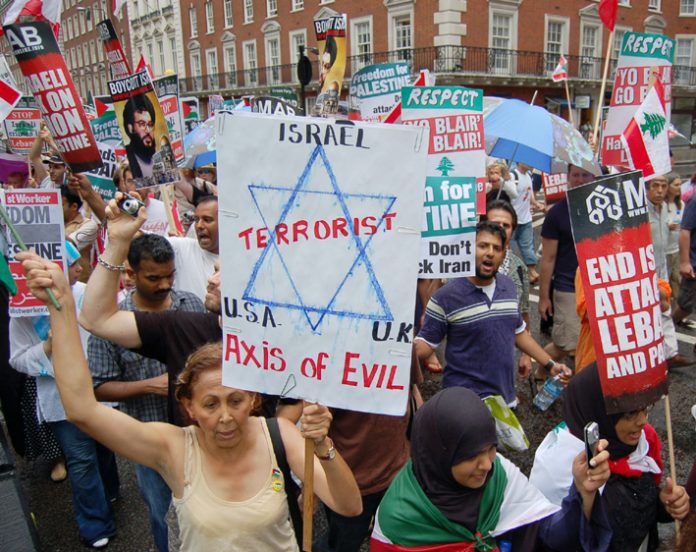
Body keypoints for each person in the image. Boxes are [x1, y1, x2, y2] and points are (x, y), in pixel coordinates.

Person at [15, 249, 363, 550]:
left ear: (254, 399)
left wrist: (322, 446)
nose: (226, 416)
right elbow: (81, 410)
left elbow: (349, 507)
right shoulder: (173, 448)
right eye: (211, 404)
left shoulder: (280, 435)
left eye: (236, 401)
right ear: (188, 407)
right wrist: (59, 307)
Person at [371, 387, 612, 551]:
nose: (487, 464)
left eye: (491, 449)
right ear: (439, 456)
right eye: (471, 456)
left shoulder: (500, 479)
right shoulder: (398, 518)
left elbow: (550, 541)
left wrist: (583, 492)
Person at [88, 234, 205, 552]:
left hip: (198, 437)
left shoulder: (190, 304)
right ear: (131, 274)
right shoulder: (112, 324)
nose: (165, 284)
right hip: (149, 445)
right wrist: (151, 385)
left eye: (170, 275)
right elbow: (97, 387)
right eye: (154, 278)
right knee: (161, 514)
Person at [11, 241, 119, 549]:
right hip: (61, 400)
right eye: (71, 264)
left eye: (74, 265)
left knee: (105, 449)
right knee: (81, 460)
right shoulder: (23, 310)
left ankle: (110, 492)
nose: (78, 268)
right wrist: (46, 347)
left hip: (100, 389)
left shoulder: (88, 293)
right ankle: (95, 524)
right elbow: (17, 359)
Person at [530, 362, 690, 551]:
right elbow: (555, 542)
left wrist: (666, 504)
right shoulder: (562, 468)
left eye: (646, 408)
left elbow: (639, 506)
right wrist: (583, 499)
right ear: (598, 412)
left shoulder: (639, 446)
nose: (642, 421)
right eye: (630, 413)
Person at [415, 221, 571, 407]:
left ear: (503, 255)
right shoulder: (445, 296)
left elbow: (518, 333)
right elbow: (426, 344)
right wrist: (396, 352)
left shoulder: (508, 286)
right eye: (483, 246)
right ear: (469, 249)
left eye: (496, 248)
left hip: (504, 401)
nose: (490, 252)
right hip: (463, 404)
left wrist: (551, 365)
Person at [538, 164, 595, 362]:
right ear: (568, 177)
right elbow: (548, 259)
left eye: (585, 175)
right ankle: (539, 370)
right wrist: (544, 297)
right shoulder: (557, 213)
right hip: (568, 287)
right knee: (567, 344)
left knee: (593, 341)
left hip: (596, 286)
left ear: (594, 177)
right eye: (576, 175)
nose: (580, 180)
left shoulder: (603, 207)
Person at [482, 200, 533, 378]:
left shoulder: (519, 268)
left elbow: (524, 313)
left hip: (503, 361)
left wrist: (527, 354)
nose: (501, 229)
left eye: (507, 225)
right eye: (495, 224)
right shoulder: (464, 264)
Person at [167, 195, 219, 301]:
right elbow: (141, 241)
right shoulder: (182, 248)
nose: (199, 225)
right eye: (196, 219)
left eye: (207, 220)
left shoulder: (242, 260)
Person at [508, 163, 544, 284]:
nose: (531, 164)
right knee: (510, 251)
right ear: (520, 161)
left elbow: (530, 195)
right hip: (512, 222)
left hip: (526, 219)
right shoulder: (513, 176)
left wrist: (536, 203)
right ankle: (512, 277)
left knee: (528, 248)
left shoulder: (529, 175)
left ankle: (532, 272)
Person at [62, 184, 99, 282]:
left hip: (79, 285)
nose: (55, 208)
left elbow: (68, 245)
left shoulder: (89, 225)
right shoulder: (53, 222)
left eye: (60, 205)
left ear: (74, 206)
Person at [123, 94, 157, 179]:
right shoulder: (126, 160)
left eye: (150, 124)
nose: (148, 130)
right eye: (142, 124)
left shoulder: (160, 158)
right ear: (130, 128)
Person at [666, 174, 684, 305]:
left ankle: (677, 307)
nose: (679, 187)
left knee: (677, 279)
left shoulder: (680, 204)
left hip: (677, 248)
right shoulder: (661, 205)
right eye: (676, 184)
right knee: (666, 280)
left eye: (680, 184)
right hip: (664, 249)